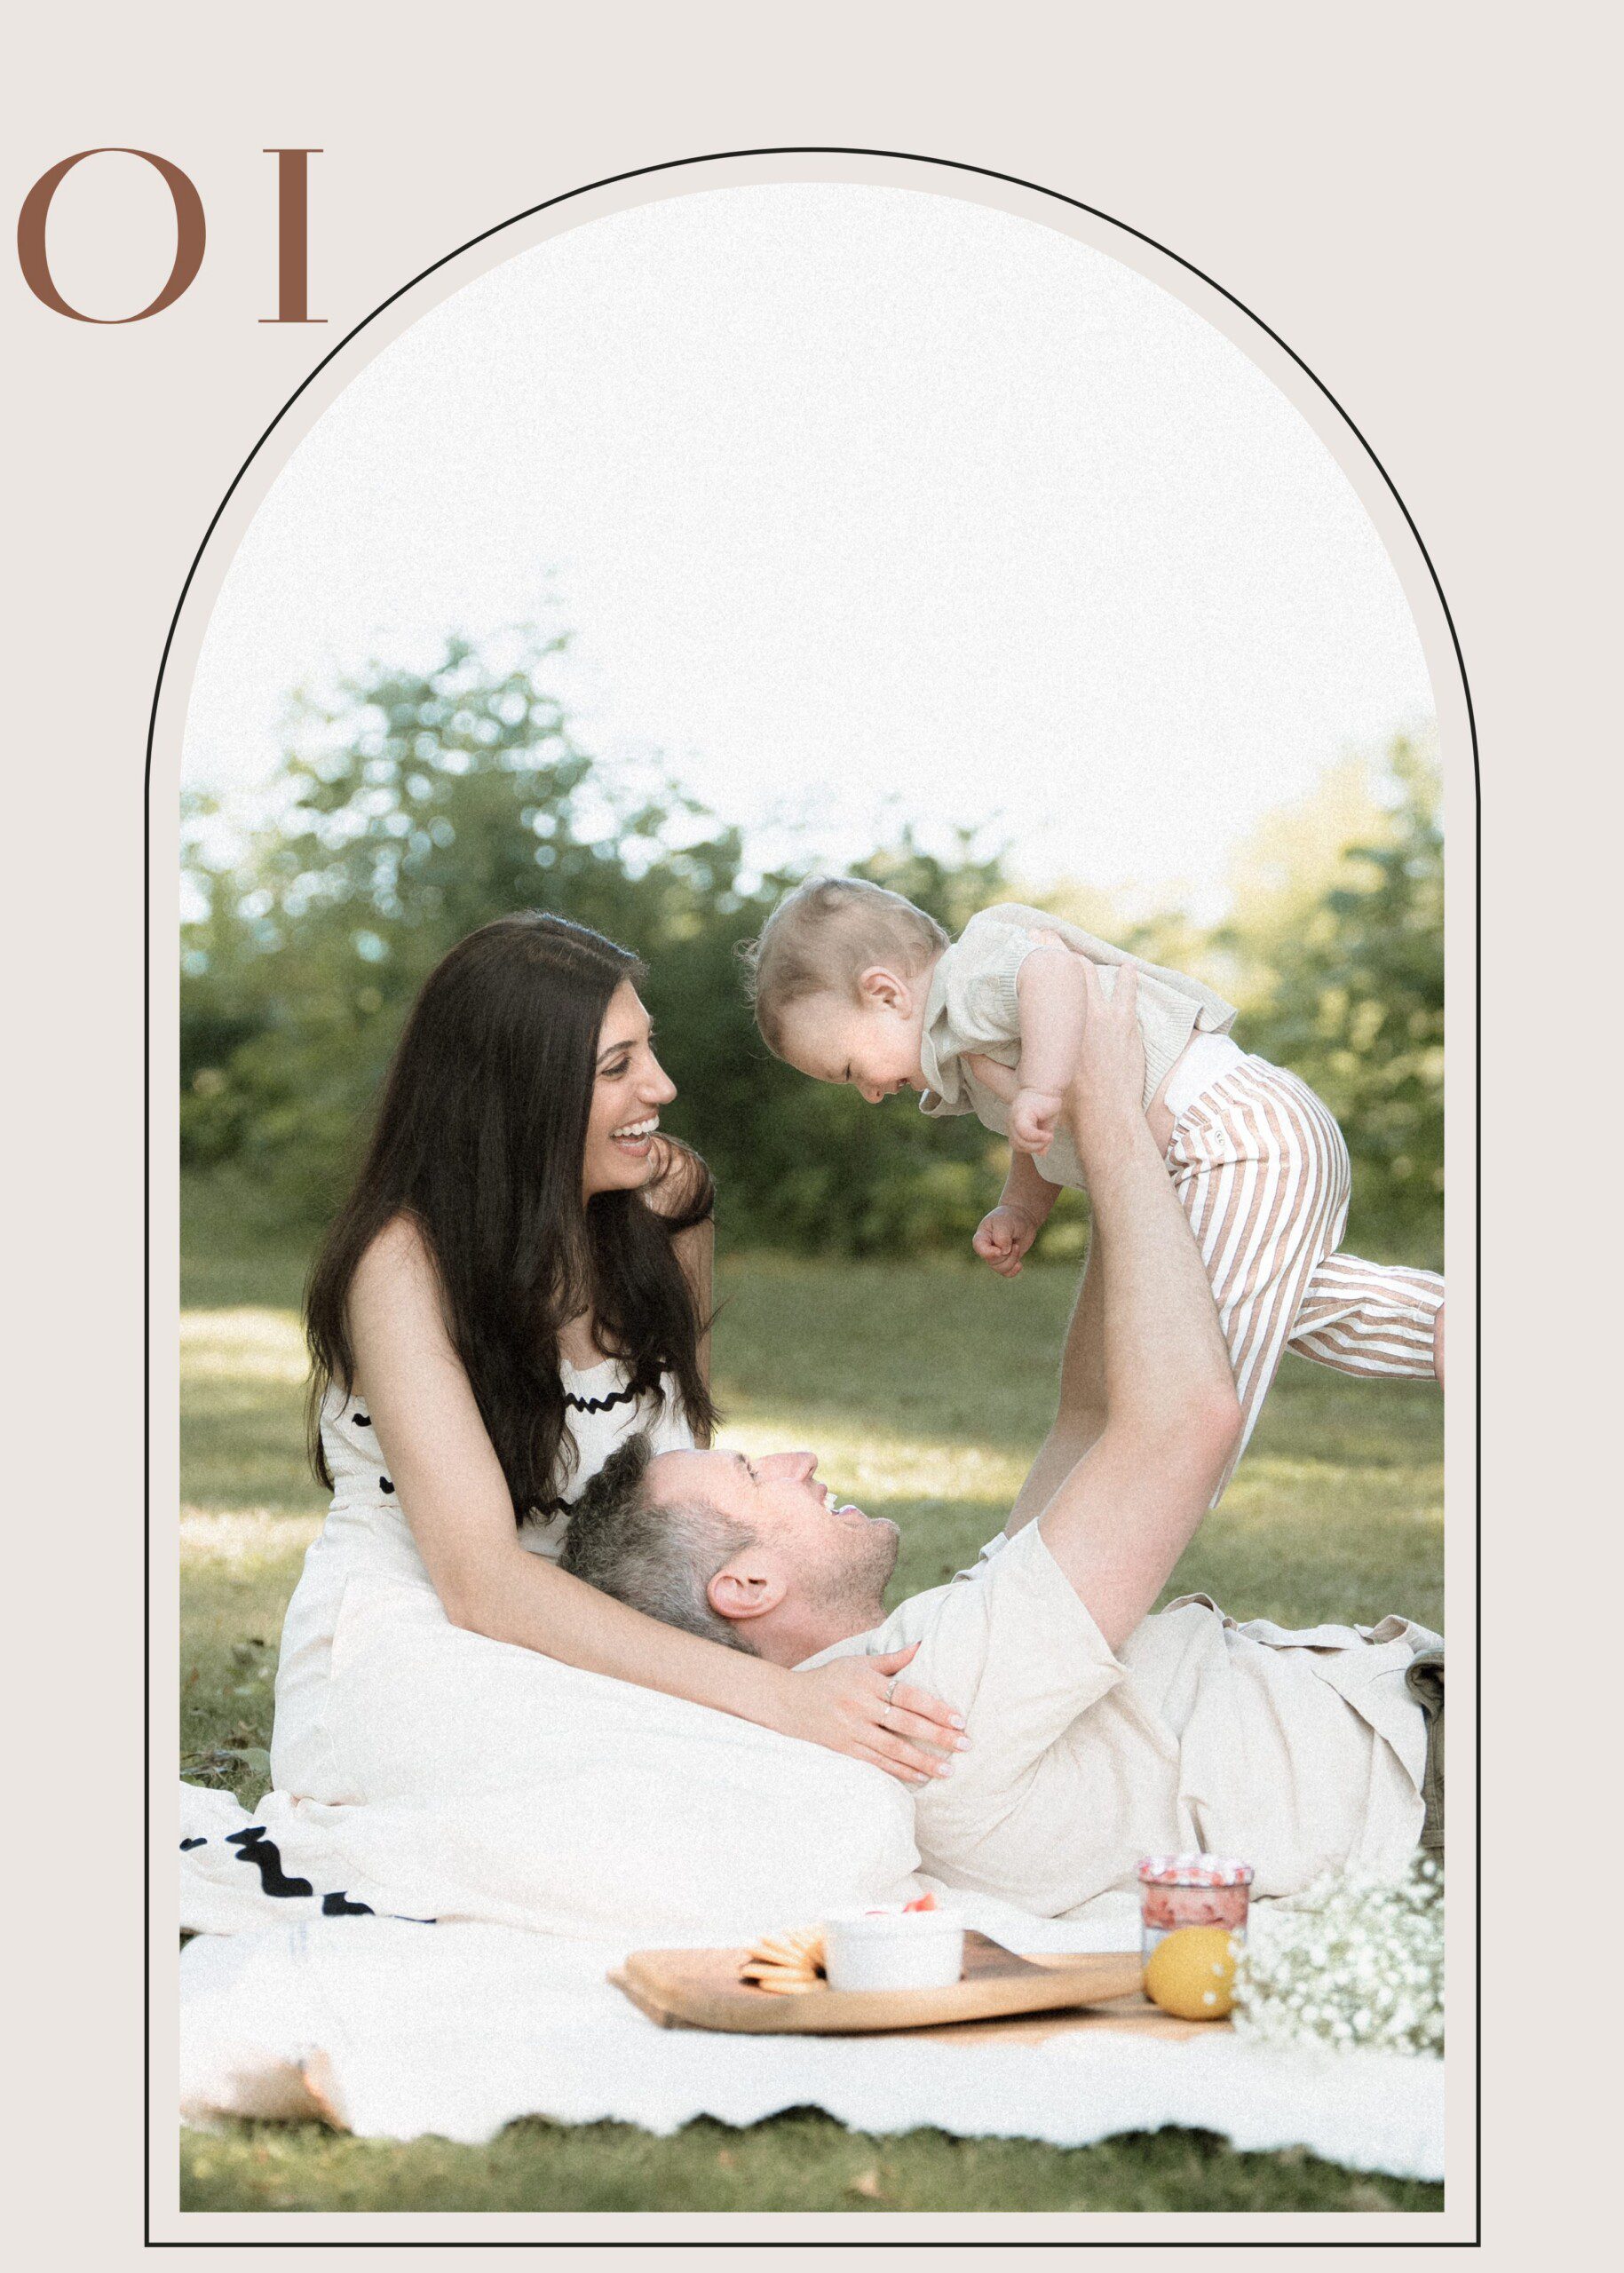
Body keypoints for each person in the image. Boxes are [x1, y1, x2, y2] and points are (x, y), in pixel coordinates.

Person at [564, 961, 1444, 1917]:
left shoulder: (921, 1672)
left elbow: (1087, 1417)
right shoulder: (934, 1706)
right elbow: (1184, 1422)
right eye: (749, 1473)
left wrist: (1116, 1146)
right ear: (744, 1587)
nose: (797, 1459)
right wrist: (1108, 1119)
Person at [271, 910, 966, 1808]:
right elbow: (479, 1582)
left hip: (628, 1624)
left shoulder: (669, 1197)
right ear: (519, 1094)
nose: (662, 1086)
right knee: (648, 1804)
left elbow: (685, 1461)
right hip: (430, 1633)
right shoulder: (402, 1264)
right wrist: (780, 1699)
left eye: (649, 1049)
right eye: (616, 1067)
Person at [743, 877, 1445, 1501]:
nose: (867, 1093)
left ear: (886, 992)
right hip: (1222, 1151)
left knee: (1185, 1372)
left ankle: (1115, 1528)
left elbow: (1051, 974)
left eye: (847, 1069)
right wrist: (1020, 1204)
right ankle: (1449, 1327)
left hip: (1231, 1139)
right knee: (1275, 1312)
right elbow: (1041, 1138)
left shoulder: (970, 976)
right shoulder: (960, 1046)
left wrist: (1043, 1086)